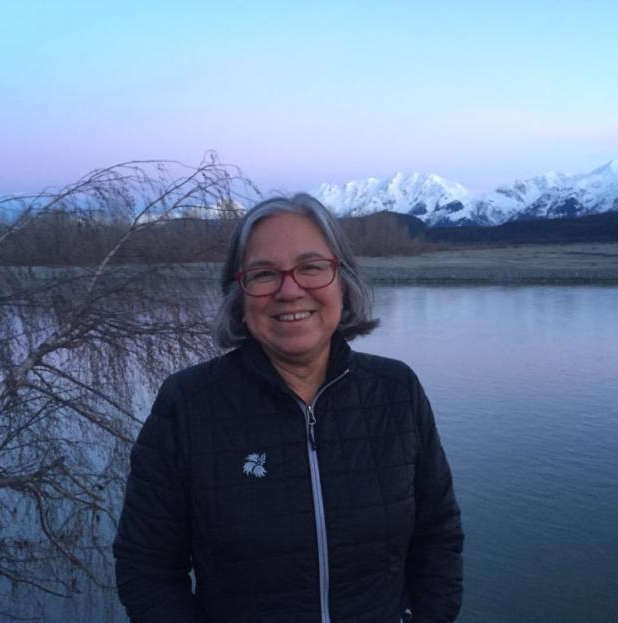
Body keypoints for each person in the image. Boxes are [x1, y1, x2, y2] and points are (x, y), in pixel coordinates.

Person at [112, 193, 463, 622]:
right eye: (263, 274)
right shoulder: (187, 405)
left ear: (343, 283)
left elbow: (438, 538)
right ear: (238, 296)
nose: (290, 290)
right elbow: (147, 569)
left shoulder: (397, 391)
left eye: (312, 267)